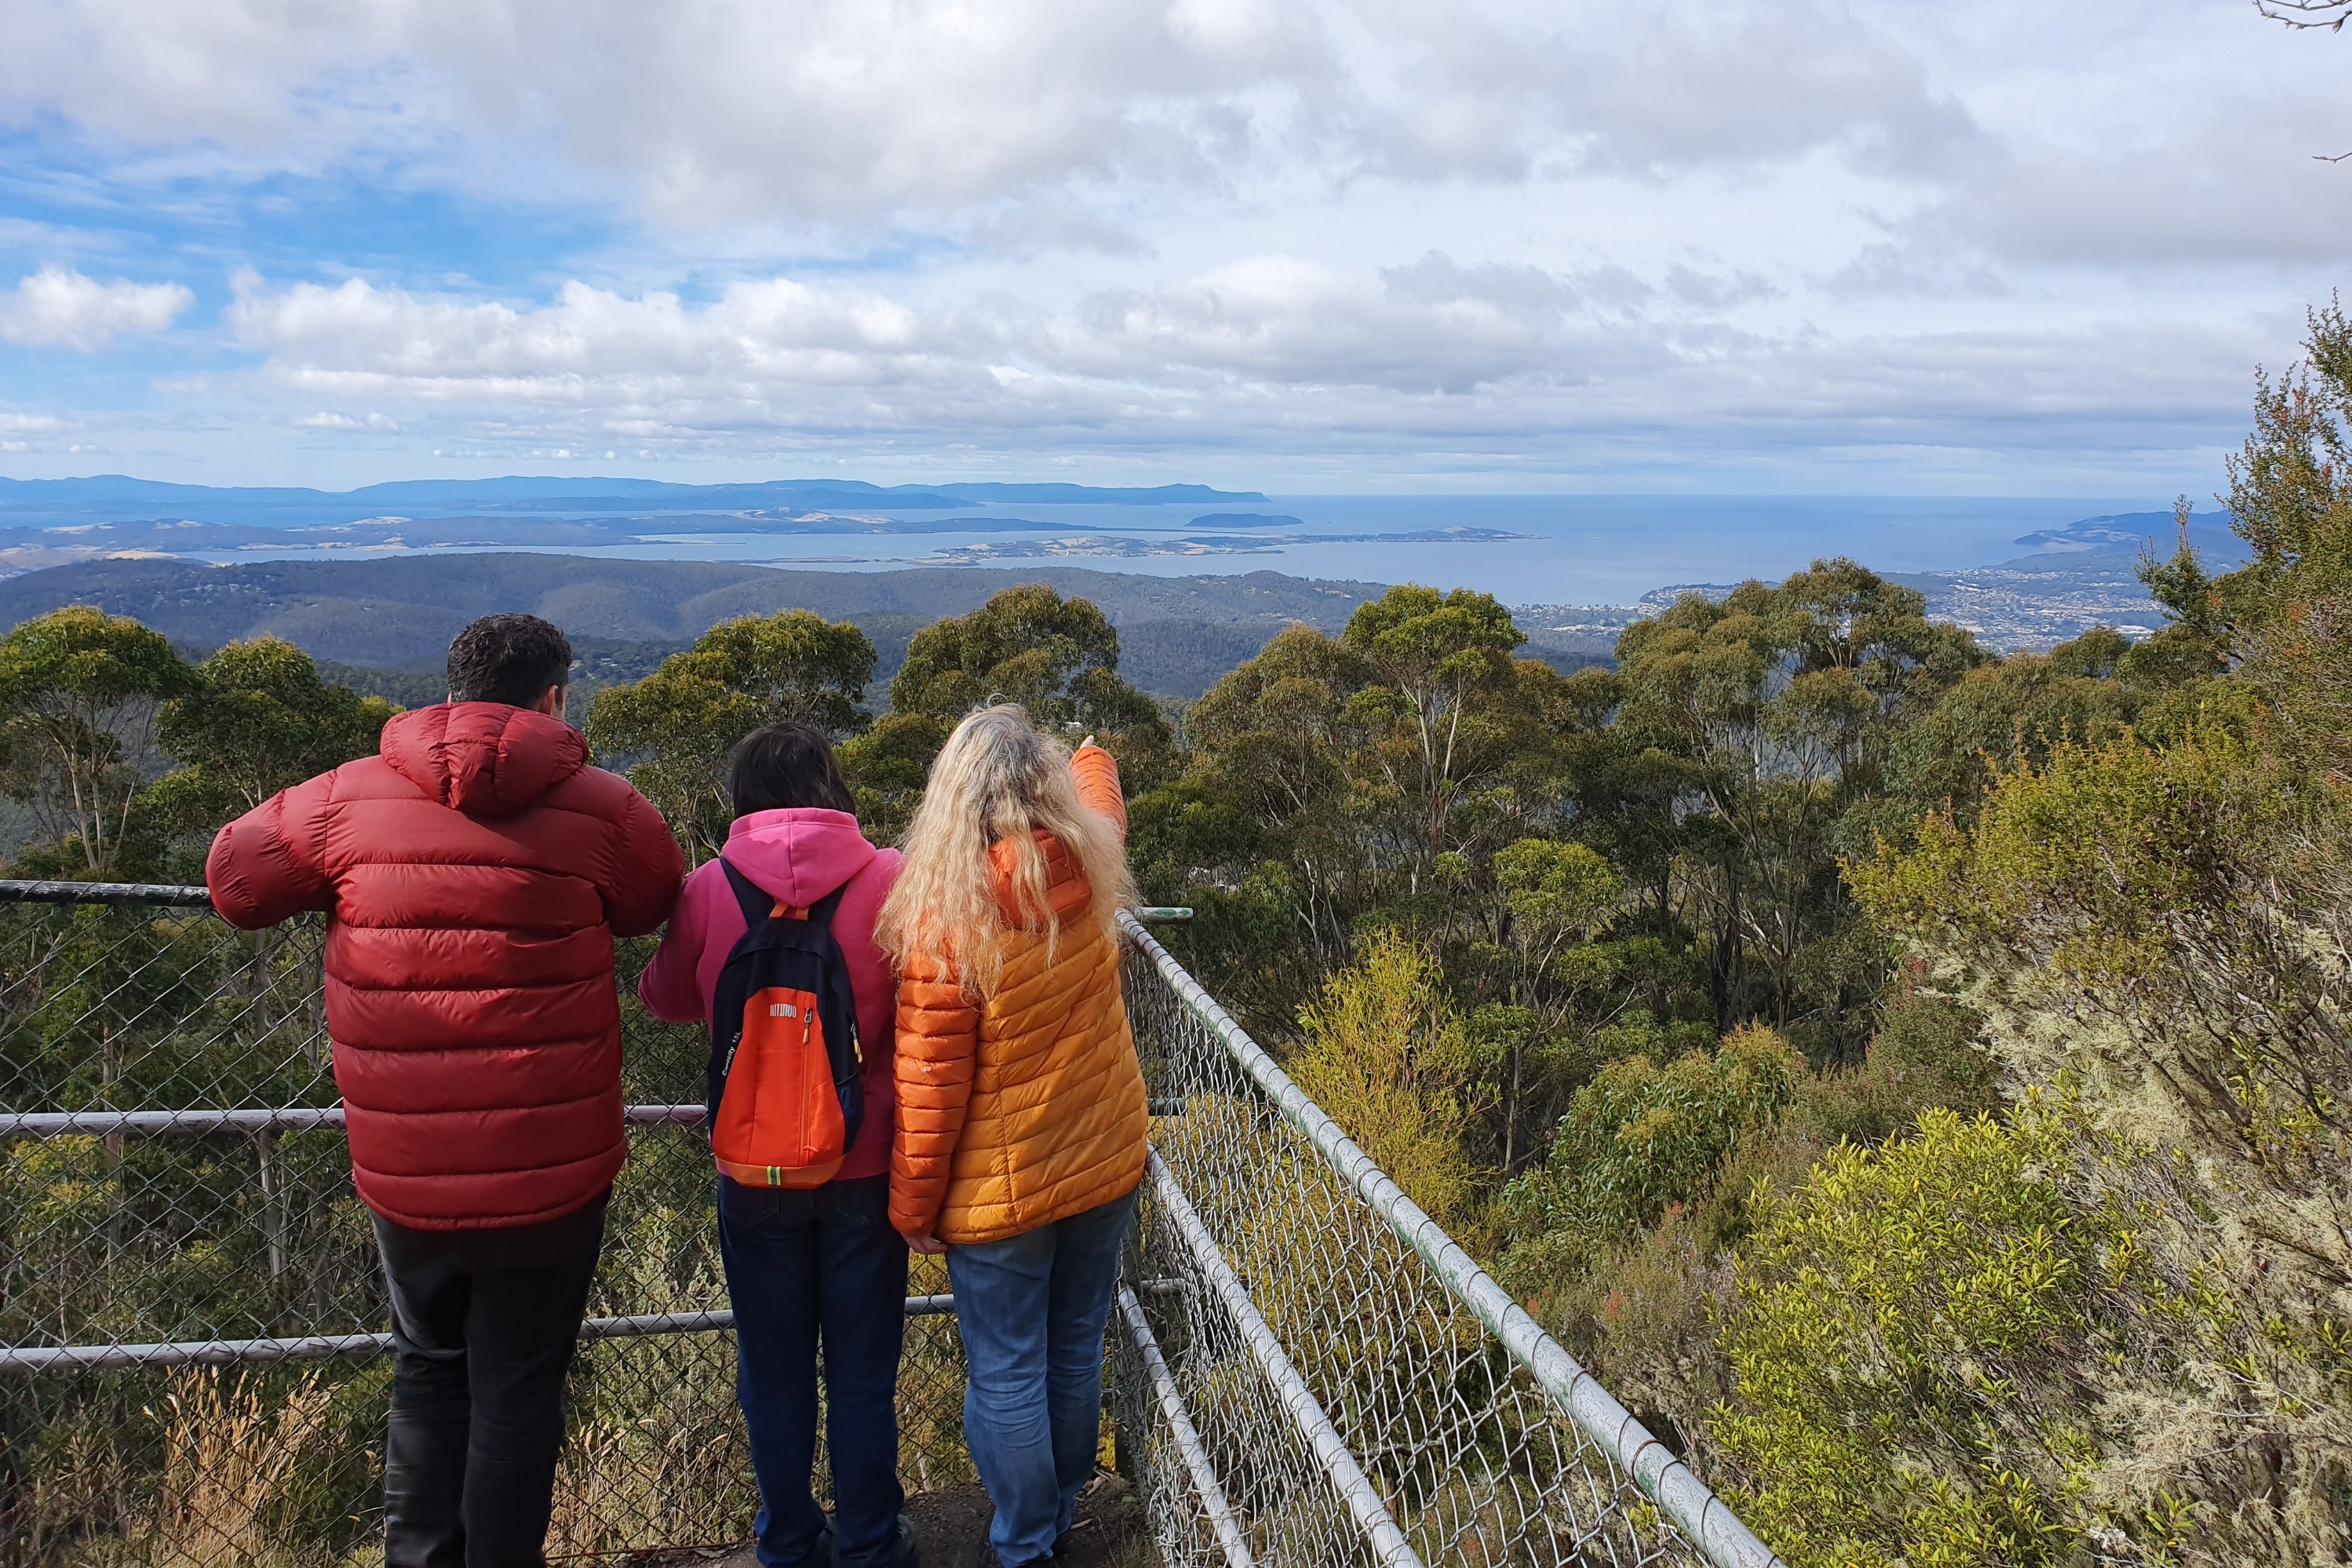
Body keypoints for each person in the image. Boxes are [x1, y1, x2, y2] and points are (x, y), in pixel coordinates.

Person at [206, 614, 685, 1568]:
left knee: (429, 1368)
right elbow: (649, 904)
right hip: (553, 1174)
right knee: (519, 1388)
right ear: (554, 696)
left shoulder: (345, 797)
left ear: (453, 690)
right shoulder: (609, 806)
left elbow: (235, 884)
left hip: (409, 1173)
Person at [639, 724, 914, 1568]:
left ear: (742, 797)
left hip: (753, 1168)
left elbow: (664, 998)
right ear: (834, 787)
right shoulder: (891, 879)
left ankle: (789, 1542)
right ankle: (870, 1543)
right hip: (863, 1165)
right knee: (863, 1371)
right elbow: (918, 1012)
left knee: (773, 1368)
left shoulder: (707, 887)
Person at [880, 706, 1147, 1568]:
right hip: (1103, 1160)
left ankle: (1026, 1543)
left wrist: (913, 1207)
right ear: (1047, 791)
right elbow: (1104, 806)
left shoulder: (945, 921)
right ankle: (1059, 1516)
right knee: (1075, 1346)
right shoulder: (1090, 862)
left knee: (1006, 1370)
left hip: (1003, 1195)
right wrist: (1091, 748)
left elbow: (929, 1089)